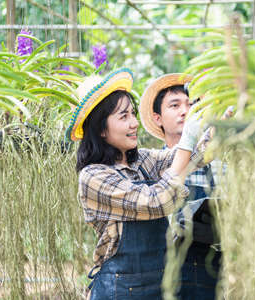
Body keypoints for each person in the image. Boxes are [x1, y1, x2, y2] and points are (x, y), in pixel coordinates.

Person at [66, 68, 209, 300]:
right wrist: (187, 139)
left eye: (132, 114)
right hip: (118, 291)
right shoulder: (94, 177)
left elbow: (190, 157)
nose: (134, 123)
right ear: (101, 129)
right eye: (124, 117)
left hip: (158, 287)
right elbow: (156, 202)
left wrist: (215, 123)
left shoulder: (141, 160)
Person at [140, 73, 224, 300]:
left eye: (191, 104)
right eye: (174, 105)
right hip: (167, 267)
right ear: (157, 118)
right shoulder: (151, 165)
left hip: (215, 265)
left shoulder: (218, 161)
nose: (185, 111)